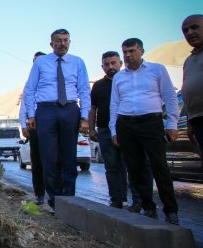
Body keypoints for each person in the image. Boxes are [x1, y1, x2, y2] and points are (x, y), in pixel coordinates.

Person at [110, 38, 179, 225]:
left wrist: (172, 124)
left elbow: (170, 98)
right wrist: (113, 130)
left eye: (132, 51)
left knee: (159, 167)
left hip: (151, 122)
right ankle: (148, 207)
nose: (128, 55)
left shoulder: (157, 70)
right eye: (125, 52)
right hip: (126, 124)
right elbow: (114, 105)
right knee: (135, 168)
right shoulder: (119, 77)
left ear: (141, 51)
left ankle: (171, 211)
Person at [23, 29, 91, 212]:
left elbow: (84, 90)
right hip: (46, 111)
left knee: (69, 156)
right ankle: (53, 199)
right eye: (59, 41)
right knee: (49, 156)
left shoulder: (78, 62)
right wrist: (30, 115)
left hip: (70, 109)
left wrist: (85, 117)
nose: (63, 44)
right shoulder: (41, 63)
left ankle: (69, 198)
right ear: (51, 43)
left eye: (66, 40)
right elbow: (30, 89)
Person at [89, 51, 143, 210]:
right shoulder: (98, 85)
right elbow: (93, 108)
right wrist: (92, 129)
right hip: (105, 130)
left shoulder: (129, 80)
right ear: (102, 66)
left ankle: (138, 200)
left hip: (128, 129)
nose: (110, 66)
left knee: (132, 165)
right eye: (106, 64)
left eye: (113, 63)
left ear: (120, 63)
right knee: (112, 167)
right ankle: (117, 199)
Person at [19, 51, 47, 204]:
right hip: (35, 125)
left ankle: (56, 193)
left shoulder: (53, 81)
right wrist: (23, 125)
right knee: (37, 160)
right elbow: (24, 104)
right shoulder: (30, 83)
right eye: (36, 62)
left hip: (51, 123)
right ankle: (40, 194)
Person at [181, 14, 203, 158]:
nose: (189, 32)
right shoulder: (189, 60)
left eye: (194, 27)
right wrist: (190, 122)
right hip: (197, 120)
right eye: (185, 30)